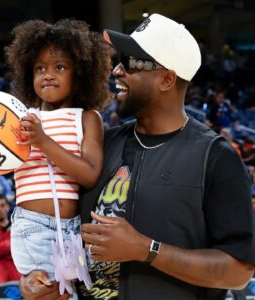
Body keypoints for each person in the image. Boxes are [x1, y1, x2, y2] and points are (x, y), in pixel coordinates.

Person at [20, 13, 255, 300]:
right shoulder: (103, 144)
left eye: (129, 62)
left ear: (166, 79)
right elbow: (51, 215)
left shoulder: (216, 157)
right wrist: (35, 278)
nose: (117, 71)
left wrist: (147, 249)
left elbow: (239, 271)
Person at [7, 18, 112, 297]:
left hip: (75, 229)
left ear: (79, 75)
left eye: (60, 67)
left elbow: (90, 173)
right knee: (53, 294)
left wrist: (43, 141)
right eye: (39, 68)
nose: (48, 74)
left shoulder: (89, 118)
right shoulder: (21, 119)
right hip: (33, 226)